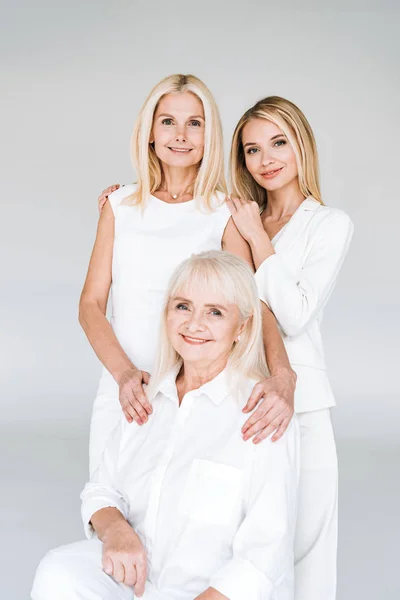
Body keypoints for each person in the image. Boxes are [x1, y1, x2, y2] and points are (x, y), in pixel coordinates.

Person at [32, 251, 300, 600]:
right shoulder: (147, 399)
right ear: (167, 314)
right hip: (137, 584)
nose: (194, 324)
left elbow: (266, 552)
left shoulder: (262, 412)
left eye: (215, 312)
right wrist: (114, 529)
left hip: (211, 594)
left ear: (243, 328)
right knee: (59, 571)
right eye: (183, 306)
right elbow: (101, 489)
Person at [81, 74, 296, 477]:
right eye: (167, 121)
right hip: (125, 385)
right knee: (106, 509)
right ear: (149, 132)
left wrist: (284, 375)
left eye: (194, 122)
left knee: (178, 522)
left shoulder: (223, 212)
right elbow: (90, 305)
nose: (180, 135)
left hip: (195, 394)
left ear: (209, 133)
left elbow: (255, 305)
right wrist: (125, 375)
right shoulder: (119, 205)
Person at [227, 95, 354, 600]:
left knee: (309, 544)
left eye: (278, 142)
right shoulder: (240, 217)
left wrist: (259, 239)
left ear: (301, 145)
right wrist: (123, 194)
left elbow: (297, 314)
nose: (267, 159)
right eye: (253, 150)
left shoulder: (329, 224)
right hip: (240, 397)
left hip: (302, 401)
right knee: (249, 542)